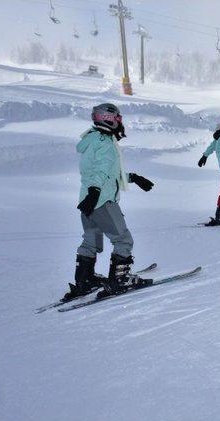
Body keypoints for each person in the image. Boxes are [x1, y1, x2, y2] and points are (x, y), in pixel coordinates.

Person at [64, 103, 155, 301]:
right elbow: (101, 172)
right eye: (118, 118)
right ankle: (120, 279)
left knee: (91, 241)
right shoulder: (105, 143)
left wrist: (133, 177)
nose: (120, 122)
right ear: (108, 119)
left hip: (87, 201)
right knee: (123, 239)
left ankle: (84, 280)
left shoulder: (92, 140)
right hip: (102, 201)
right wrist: (96, 192)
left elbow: (103, 171)